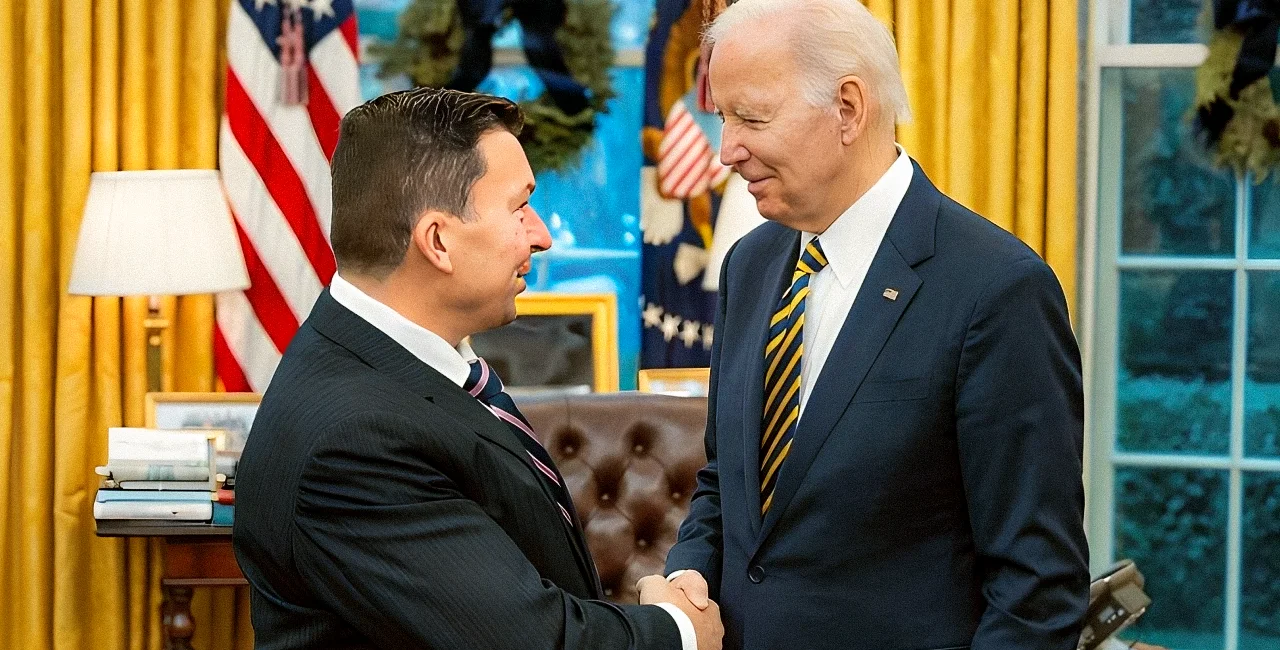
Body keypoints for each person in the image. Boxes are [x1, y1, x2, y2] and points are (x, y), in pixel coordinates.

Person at [655, 0, 1091, 648]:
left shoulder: (997, 291)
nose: (726, 151)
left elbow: (1037, 591)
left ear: (849, 109)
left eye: (751, 117)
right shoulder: (751, 264)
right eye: (723, 118)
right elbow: (726, 484)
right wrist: (686, 575)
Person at [233, 87, 722, 650]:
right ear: (438, 240)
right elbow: (527, 639)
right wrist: (681, 631)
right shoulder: (354, 443)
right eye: (520, 208)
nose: (541, 235)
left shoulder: (396, 361)